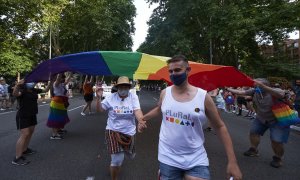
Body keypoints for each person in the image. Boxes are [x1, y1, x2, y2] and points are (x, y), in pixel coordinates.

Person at [139, 55, 242, 180]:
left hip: (196, 158)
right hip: (168, 157)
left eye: (177, 70)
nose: (173, 74)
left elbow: (220, 126)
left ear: (188, 70)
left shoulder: (203, 97)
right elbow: (159, 109)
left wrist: (232, 161)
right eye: (170, 71)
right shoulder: (165, 93)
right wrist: (142, 118)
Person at [226, 78, 288, 168]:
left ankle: (278, 158)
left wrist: (264, 87)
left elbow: (281, 94)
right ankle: (253, 150)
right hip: (261, 118)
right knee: (253, 132)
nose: (256, 87)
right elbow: (241, 93)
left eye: (259, 85)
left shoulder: (275, 91)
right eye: (255, 85)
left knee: (276, 140)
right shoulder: (255, 91)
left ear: (266, 85)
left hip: (276, 120)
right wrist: (227, 88)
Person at [98, 76, 143, 180]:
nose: (123, 89)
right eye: (121, 86)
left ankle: (121, 157)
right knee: (117, 159)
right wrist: (98, 98)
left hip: (129, 132)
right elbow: (100, 109)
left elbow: (137, 110)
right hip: (113, 130)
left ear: (128, 87)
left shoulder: (133, 97)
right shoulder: (110, 97)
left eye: (125, 86)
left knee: (130, 155)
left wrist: (141, 120)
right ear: (117, 87)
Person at [12, 79, 53, 165]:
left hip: (32, 114)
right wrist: (17, 85)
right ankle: (17, 158)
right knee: (25, 134)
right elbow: (15, 94)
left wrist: (50, 82)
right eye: (30, 82)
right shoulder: (22, 91)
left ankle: (25, 149)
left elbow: (45, 90)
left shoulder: (34, 90)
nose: (32, 83)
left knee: (30, 132)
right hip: (23, 115)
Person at [47, 73, 72, 140]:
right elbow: (58, 78)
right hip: (56, 103)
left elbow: (67, 80)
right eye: (61, 78)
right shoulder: (55, 83)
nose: (63, 79)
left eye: (63, 78)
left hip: (60, 103)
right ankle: (54, 135)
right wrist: (60, 72)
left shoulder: (61, 84)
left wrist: (71, 73)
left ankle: (58, 130)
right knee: (55, 118)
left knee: (60, 117)